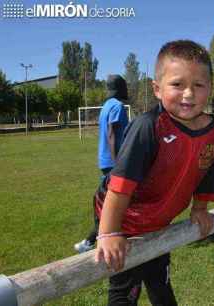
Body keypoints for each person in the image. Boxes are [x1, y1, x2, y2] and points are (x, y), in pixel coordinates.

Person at [94, 40, 214, 305]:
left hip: (158, 221)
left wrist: (200, 209)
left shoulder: (213, 131)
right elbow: (119, 187)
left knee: (160, 283)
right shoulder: (148, 127)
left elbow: (207, 173)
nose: (188, 94)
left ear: (209, 89)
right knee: (125, 291)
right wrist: (109, 233)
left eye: (198, 85)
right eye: (177, 84)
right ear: (157, 88)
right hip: (123, 219)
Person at [74, 74, 130, 253]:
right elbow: (113, 134)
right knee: (111, 202)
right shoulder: (117, 107)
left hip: (105, 160)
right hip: (114, 161)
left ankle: (101, 237)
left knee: (110, 200)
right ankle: (90, 241)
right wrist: (118, 162)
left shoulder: (106, 105)